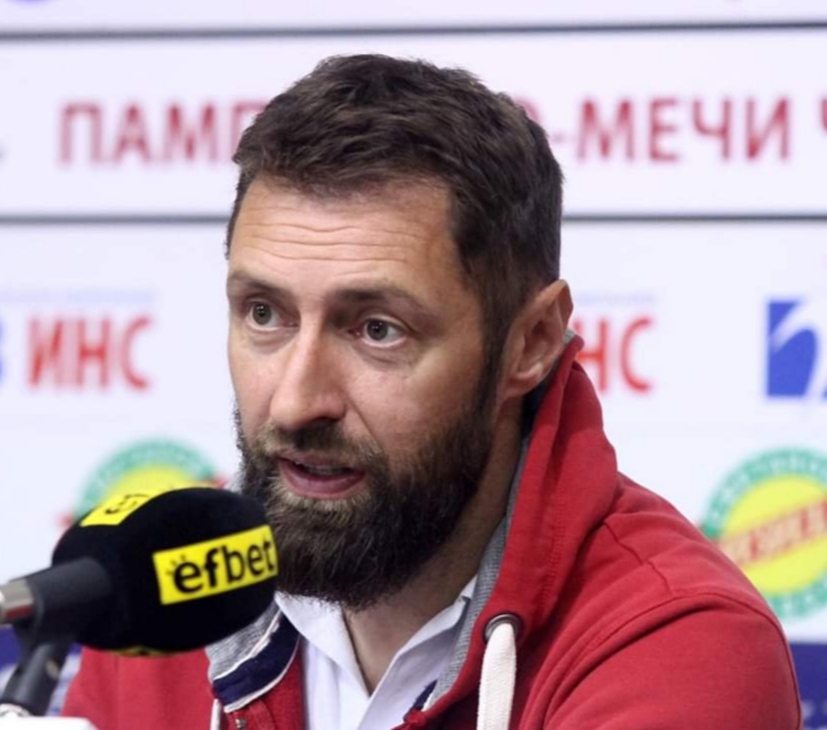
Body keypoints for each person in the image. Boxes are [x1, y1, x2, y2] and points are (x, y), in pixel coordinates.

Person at [62, 54, 801, 730]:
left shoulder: (677, 644)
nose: (294, 402)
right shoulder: (161, 600)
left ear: (531, 342)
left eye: (377, 330)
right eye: (264, 315)